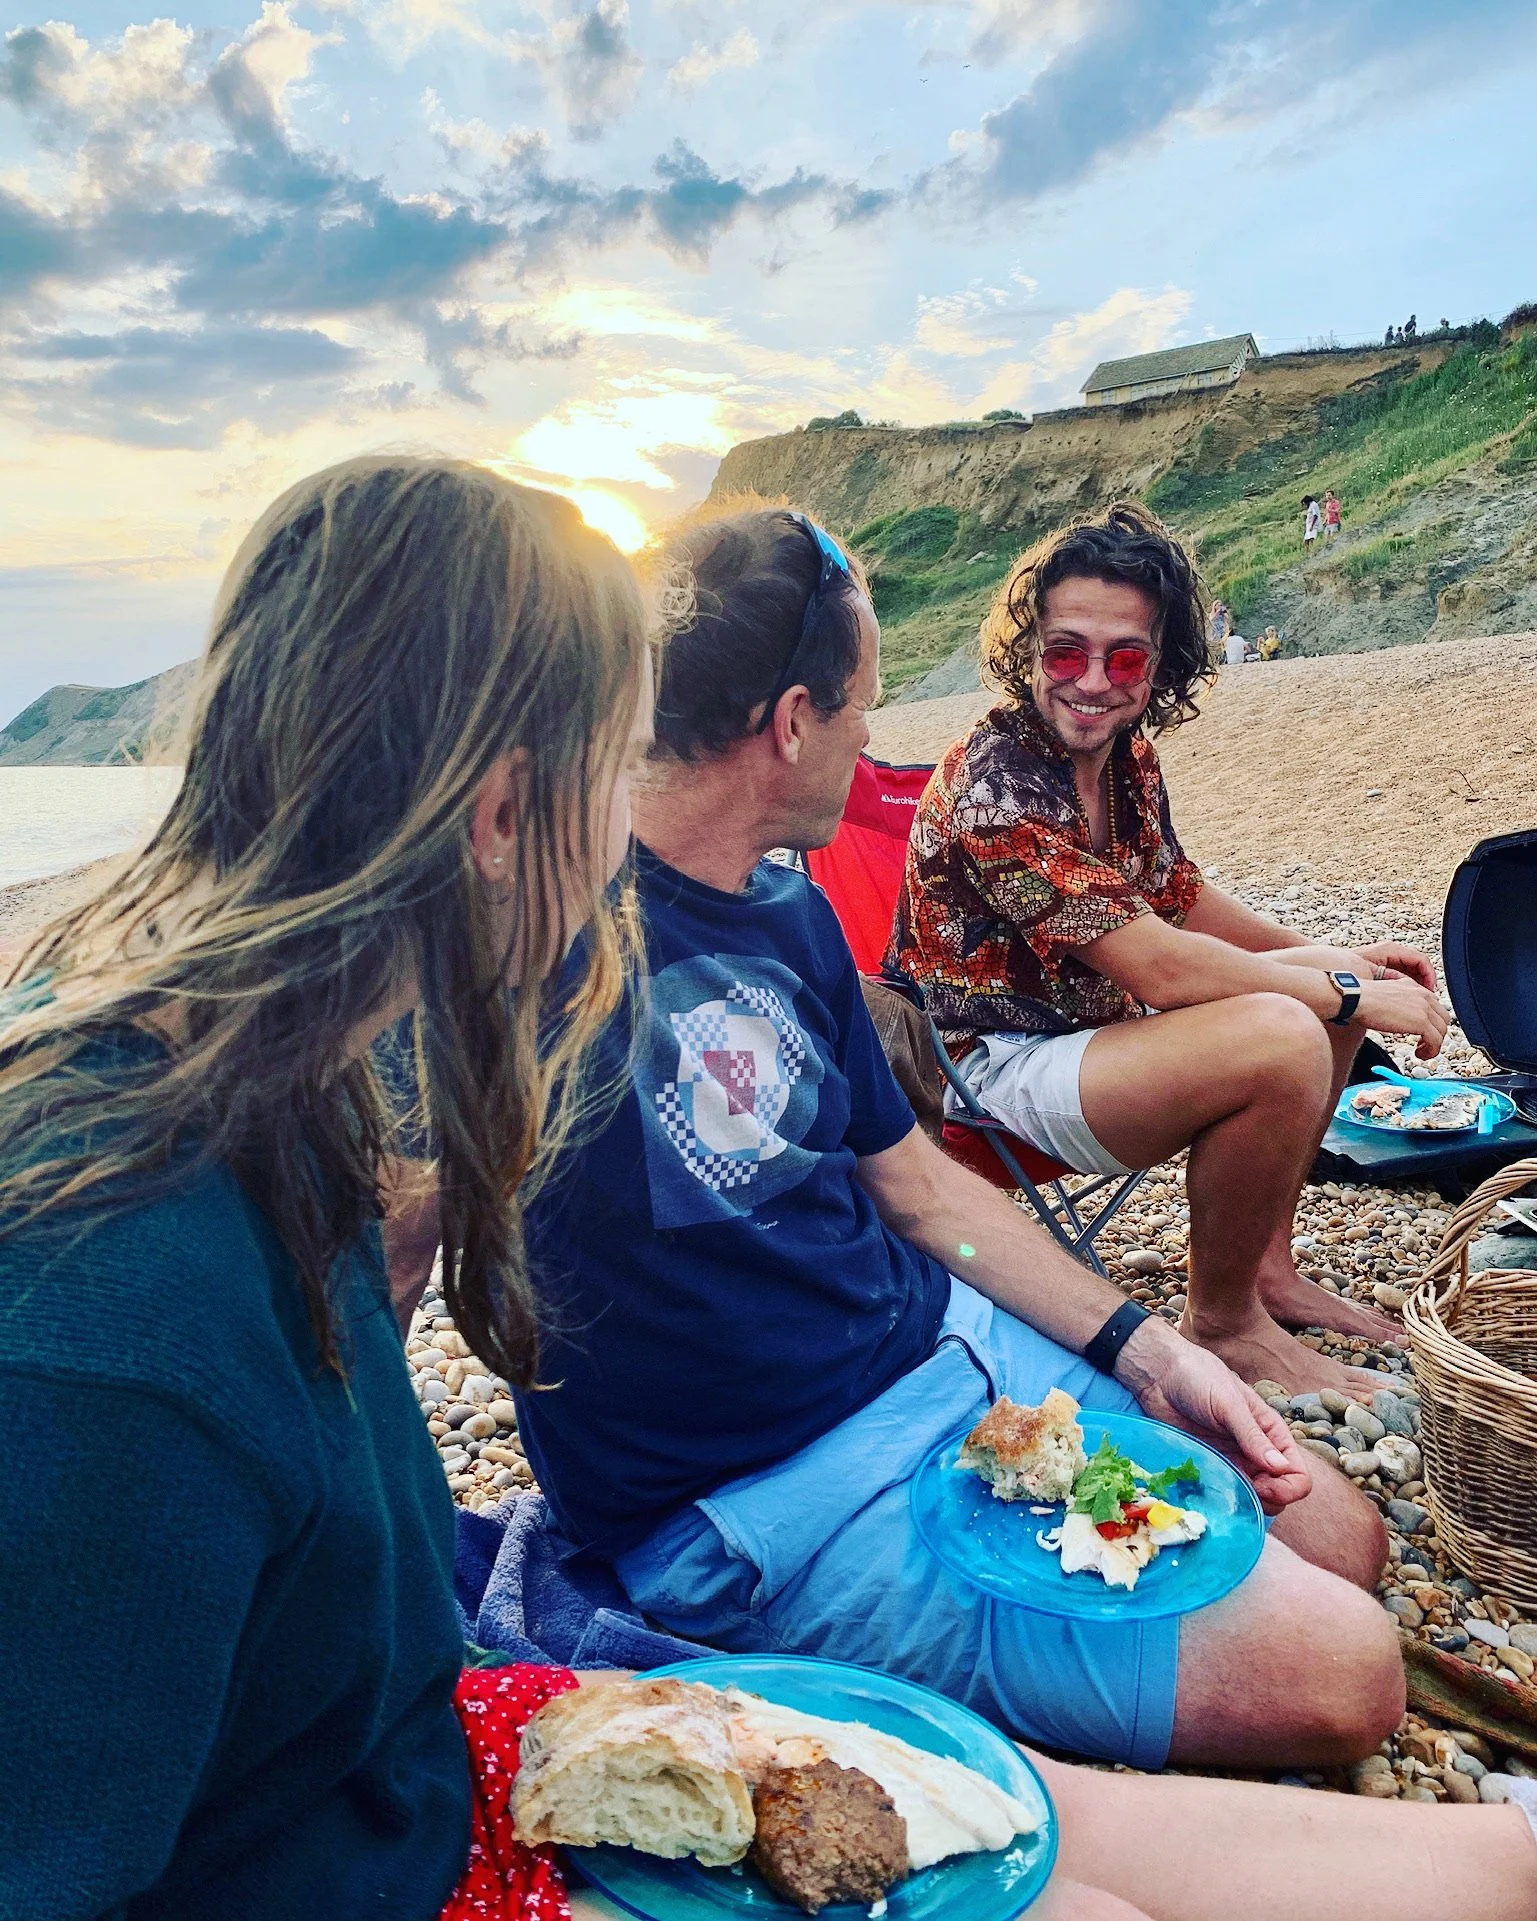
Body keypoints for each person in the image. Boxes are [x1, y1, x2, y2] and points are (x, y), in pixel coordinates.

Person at [518, 503, 1408, 1787]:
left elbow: (918, 1184)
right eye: (860, 706)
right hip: (766, 1499)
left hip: (943, 1354)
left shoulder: (787, 911)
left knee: (1341, 1535)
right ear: (787, 724)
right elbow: (387, 1244)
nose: (875, 737)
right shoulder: (541, 942)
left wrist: (1144, 1347)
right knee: (1350, 1676)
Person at [0, 455, 657, 1918]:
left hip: (394, 1779)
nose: (628, 830)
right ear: (502, 815)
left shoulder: (277, 1075)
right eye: (623, 764)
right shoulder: (102, 1314)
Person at [889, 502, 1448, 1396]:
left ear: (1160, 663)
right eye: (1065, 651)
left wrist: (1337, 954)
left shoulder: (1124, 756)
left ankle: (1263, 1270)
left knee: (1321, 991)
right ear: (1029, 649)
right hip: (986, 1067)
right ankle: (1223, 1324)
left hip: (1094, 1039)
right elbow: (1158, 966)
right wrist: (1342, 994)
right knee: (1292, 1025)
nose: (1093, 681)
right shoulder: (999, 782)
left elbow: (1178, 897)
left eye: (1126, 658)